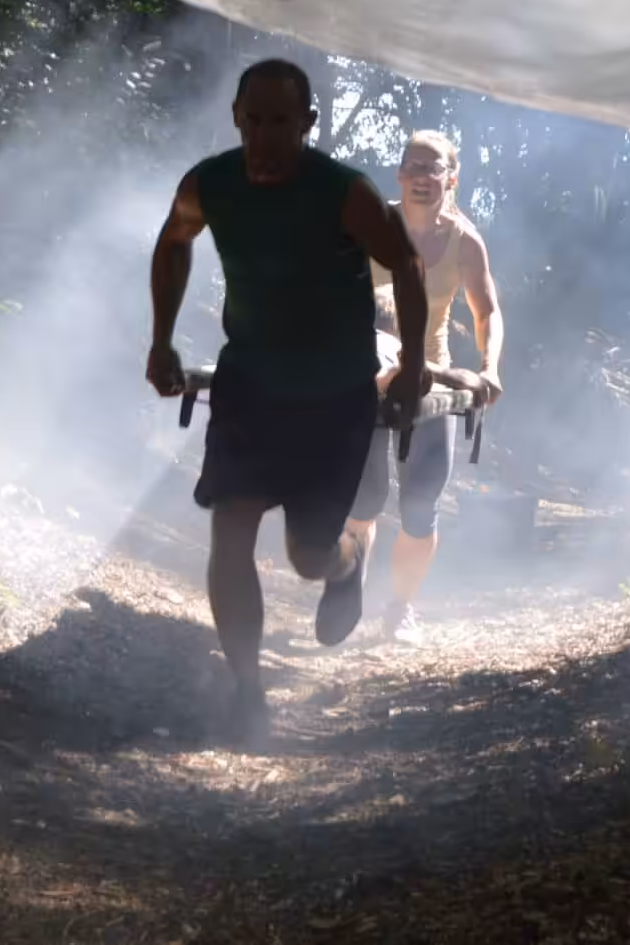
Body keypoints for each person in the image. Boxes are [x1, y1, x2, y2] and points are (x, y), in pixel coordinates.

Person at [147, 58, 430, 738]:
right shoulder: (210, 184)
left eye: (281, 121)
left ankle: (346, 562)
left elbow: (406, 263)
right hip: (250, 384)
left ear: (307, 123)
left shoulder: (344, 192)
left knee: (306, 555)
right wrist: (160, 341)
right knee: (231, 527)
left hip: (334, 399)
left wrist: (415, 365)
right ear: (237, 119)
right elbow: (174, 240)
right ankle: (248, 690)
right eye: (254, 120)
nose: (266, 135)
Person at [346, 130, 504, 645]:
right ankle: (347, 594)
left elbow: (487, 313)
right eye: (412, 165)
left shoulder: (464, 242)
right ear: (399, 175)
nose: (420, 176)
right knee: (363, 501)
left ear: (450, 179)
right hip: (368, 369)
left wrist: (490, 367)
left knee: (419, 507)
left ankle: (399, 611)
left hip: (430, 378)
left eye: (432, 168)